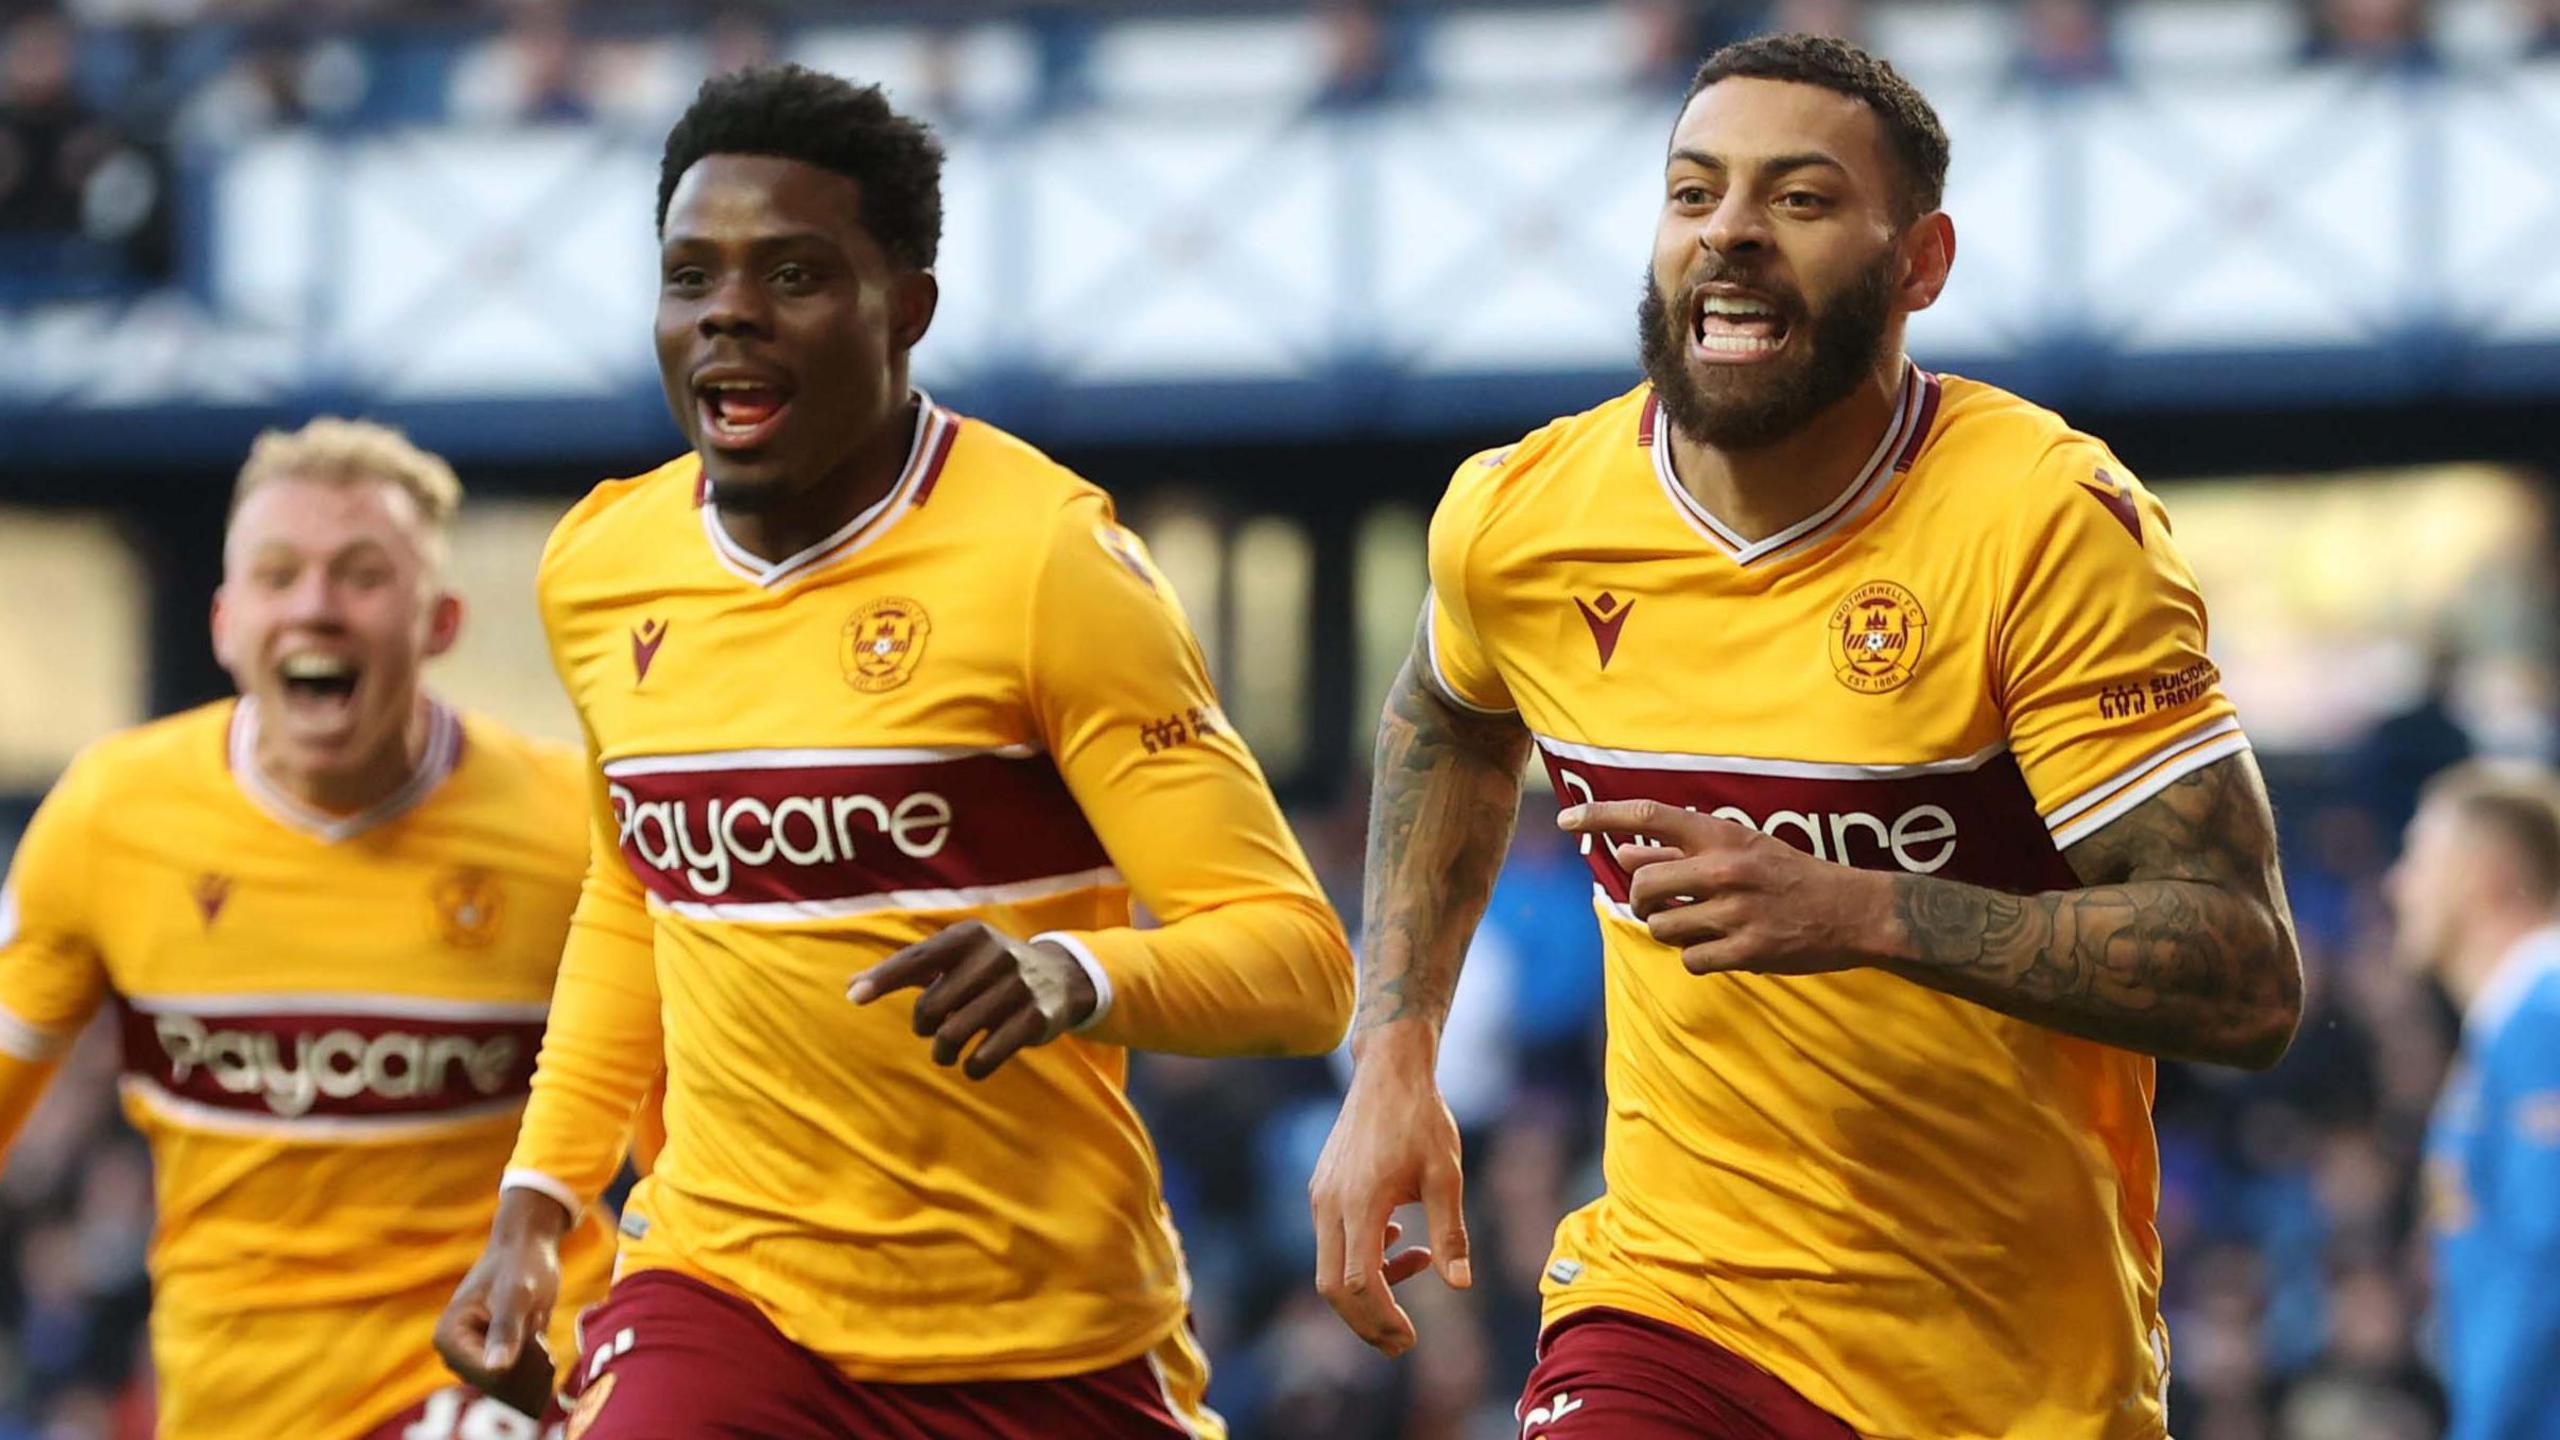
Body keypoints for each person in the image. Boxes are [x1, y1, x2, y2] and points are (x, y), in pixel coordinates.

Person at [1307, 33, 2303, 1439]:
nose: (1730, 233)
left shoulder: (2046, 525)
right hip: (1668, 1311)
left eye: (1800, 198)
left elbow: (2245, 972)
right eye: (1694, 191)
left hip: (2005, 1370)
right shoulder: (1520, 518)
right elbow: (1449, 719)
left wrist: (1866, 910)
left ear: (1920, 265)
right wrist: (1394, 1056)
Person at [433, 64, 1353, 1439]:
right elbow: (640, 891)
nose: (729, 310)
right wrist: (539, 1201)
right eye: (692, 277)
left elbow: (1299, 964)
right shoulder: (603, 564)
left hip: (1042, 1333)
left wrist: (1073, 971)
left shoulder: (1049, 563)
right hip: (725, 1293)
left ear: (904, 308)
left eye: (793, 274)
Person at [0, 418, 618, 1439]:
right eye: (279, 577)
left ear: (441, 622)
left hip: (499, 1390)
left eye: (362, 576)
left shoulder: (565, 827)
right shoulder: (109, 817)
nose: (316, 608)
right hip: (234, 1405)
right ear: (225, 622)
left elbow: (682, 1146)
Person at [2388, 761, 2560, 1440]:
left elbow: (2547, 1251)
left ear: (2482, 875)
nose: (2396, 884)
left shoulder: (2544, 1019)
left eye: (2418, 857)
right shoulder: (2511, 1029)